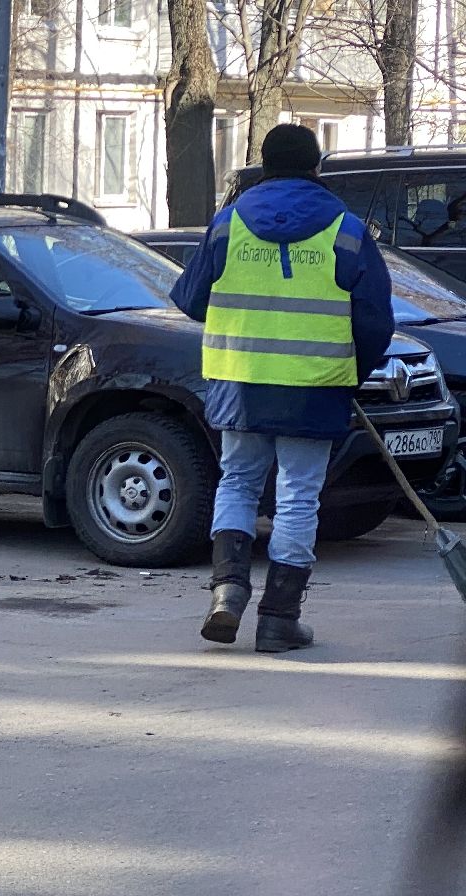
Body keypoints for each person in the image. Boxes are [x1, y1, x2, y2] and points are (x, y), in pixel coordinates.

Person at [172, 122, 394, 652]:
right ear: (317, 167)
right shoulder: (345, 228)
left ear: (263, 166)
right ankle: (278, 619)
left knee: (237, 484)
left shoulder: (228, 224)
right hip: (314, 386)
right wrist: (350, 373)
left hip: (239, 379)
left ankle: (227, 592)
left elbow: (191, 298)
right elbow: (375, 320)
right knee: (298, 497)